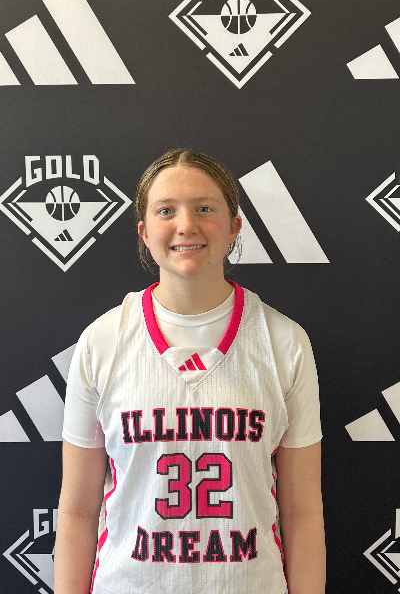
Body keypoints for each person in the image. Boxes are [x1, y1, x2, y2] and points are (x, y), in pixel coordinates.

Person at [54, 149, 325, 594]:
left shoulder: (283, 342)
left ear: (234, 225)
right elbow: (78, 512)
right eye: (166, 211)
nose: (186, 225)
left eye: (204, 208)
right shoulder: (103, 341)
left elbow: (302, 512)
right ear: (144, 231)